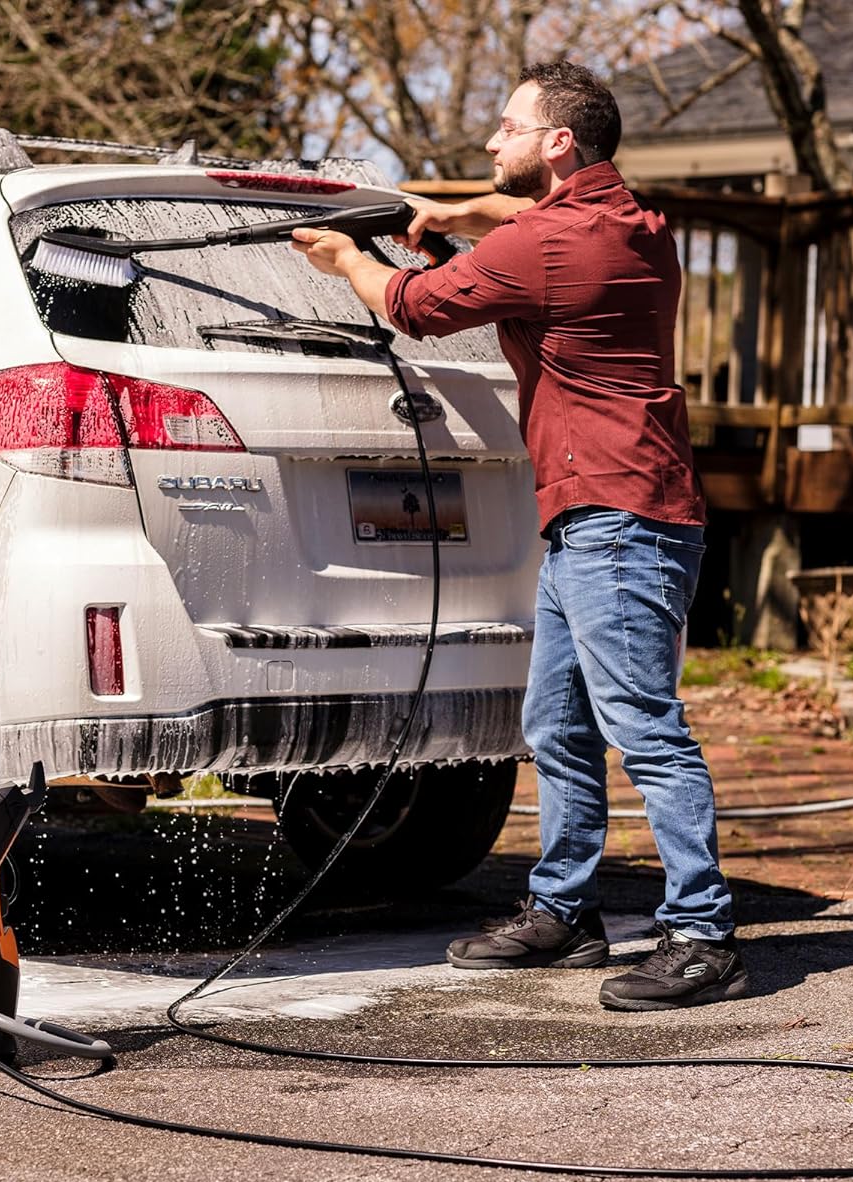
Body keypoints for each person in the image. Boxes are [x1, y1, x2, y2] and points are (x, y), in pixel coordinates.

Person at [291, 60, 746, 1010]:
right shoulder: (631, 220)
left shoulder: (550, 242)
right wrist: (463, 215)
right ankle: (565, 911)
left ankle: (703, 934)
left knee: (645, 731)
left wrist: (345, 260)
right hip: (602, 516)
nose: (489, 144)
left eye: (506, 129)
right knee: (557, 725)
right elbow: (531, 222)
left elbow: (417, 306)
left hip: (617, 517)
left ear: (556, 143)